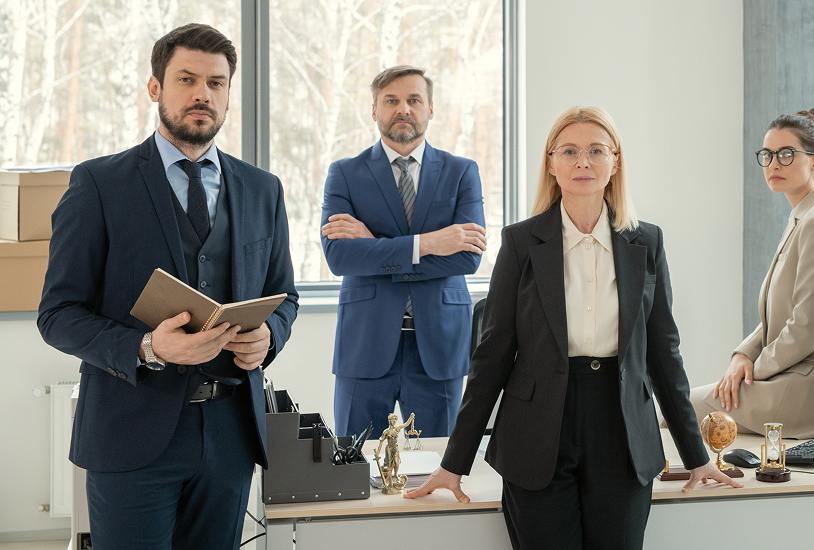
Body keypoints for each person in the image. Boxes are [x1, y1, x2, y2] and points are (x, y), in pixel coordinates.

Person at [405, 106, 742, 548]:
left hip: (621, 430)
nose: (583, 162)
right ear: (551, 163)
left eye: (596, 151)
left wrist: (697, 457)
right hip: (538, 429)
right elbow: (492, 355)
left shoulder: (646, 241)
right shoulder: (521, 242)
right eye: (569, 151)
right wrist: (454, 462)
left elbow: (663, 354)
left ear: (615, 161)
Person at [37, 24, 298, 549]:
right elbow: (58, 314)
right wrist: (148, 346)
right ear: (155, 87)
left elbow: (285, 295)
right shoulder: (98, 184)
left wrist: (270, 334)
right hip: (130, 432)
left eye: (217, 84)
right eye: (187, 79)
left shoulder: (262, 189)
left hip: (229, 435)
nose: (203, 94)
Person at [320, 65, 486, 438]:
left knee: (436, 469)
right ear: (374, 110)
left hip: (439, 345)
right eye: (391, 101)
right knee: (354, 466)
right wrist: (428, 244)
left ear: (430, 109)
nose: (403, 109)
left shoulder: (462, 172)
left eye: (414, 100)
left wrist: (374, 247)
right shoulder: (345, 173)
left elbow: (467, 256)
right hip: (365, 341)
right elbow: (340, 258)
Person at [688, 109, 814, 439]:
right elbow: (783, 312)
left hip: (812, 393)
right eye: (768, 155)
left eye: (786, 154)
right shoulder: (807, 214)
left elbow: (807, 326)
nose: (773, 164)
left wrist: (752, 374)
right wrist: (744, 354)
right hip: (804, 377)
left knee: (679, 409)